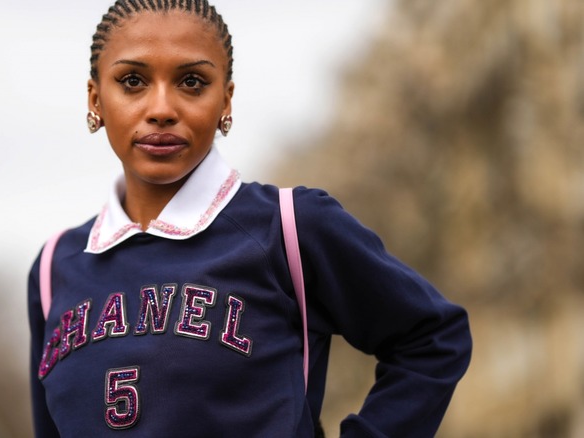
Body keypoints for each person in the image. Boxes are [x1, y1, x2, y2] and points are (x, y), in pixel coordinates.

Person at [27, 1, 472, 437]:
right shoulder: (53, 268)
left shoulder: (290, 227)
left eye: (192, 82)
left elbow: (432, 338)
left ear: (226, 99)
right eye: (132, 80)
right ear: (96, 98)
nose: (161, 108)